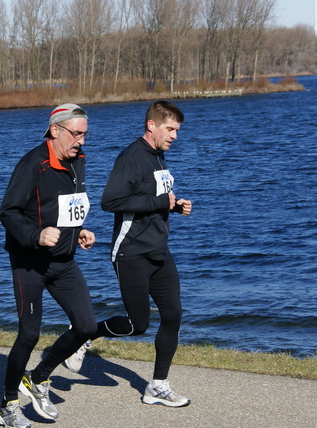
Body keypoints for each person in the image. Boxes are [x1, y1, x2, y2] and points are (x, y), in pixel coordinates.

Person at [68, 100, 192, 407]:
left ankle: (158, 386)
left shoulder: (158, 156)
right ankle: (83, 335)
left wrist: (174, 206)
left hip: (158, 250)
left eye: (177, 130)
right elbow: (110, 201)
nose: (175, 135)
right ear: (152, 125)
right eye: (171, 129)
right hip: (131, 252)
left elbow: (153, 199)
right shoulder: (132, 157)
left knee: (173, 315)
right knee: (138, 325)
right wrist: (160, 203)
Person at [0, 103, 97, 428]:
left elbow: (63, 207)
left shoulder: (77, 161)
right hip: (30, 264)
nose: (81, 141)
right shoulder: (32, 164)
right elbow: (8, 212)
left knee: (85, 327)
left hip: (64, 261)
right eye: (76, 133)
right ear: (55, 130)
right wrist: (36, 235)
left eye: (85, 134)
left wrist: (77, 230)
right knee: (29, 335)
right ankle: (7, 405)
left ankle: (37, 378)